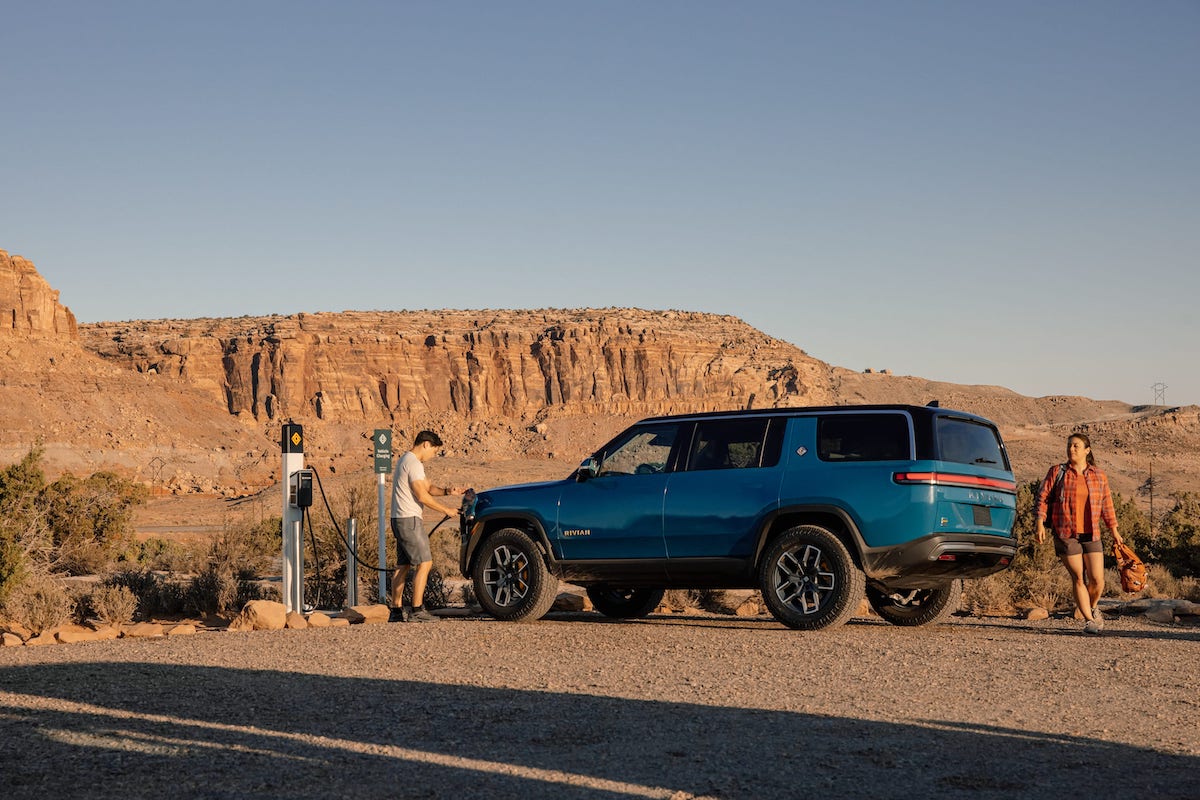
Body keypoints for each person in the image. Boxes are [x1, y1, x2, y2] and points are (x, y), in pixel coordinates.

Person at [1035, 432, 1125, 635]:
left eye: (1076, 446)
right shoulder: (1057, 472)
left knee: (1098, 580)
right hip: (1066, 532)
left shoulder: (1098, 475)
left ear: (1087, 450)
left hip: (1091, 533)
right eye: (1069, 446)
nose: (1071, 449)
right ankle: (1089, 620)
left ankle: (1091, 607)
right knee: (1078, 578)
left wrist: (1114, 531)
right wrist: (1039, 523)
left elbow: (1106, 505)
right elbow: (1042, 498)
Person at [388, 430, 464, 622]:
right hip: (409, 520)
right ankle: (417, 610)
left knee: (403, 565)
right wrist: (446, 510)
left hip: (399, 519)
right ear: (426, 444)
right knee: (425, 562)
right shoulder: (413, 463)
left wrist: (448, 491)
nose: (433, 456)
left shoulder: (406, 460)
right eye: (434, 451)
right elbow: (422, 495)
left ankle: (396, 612)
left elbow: (428, 488)